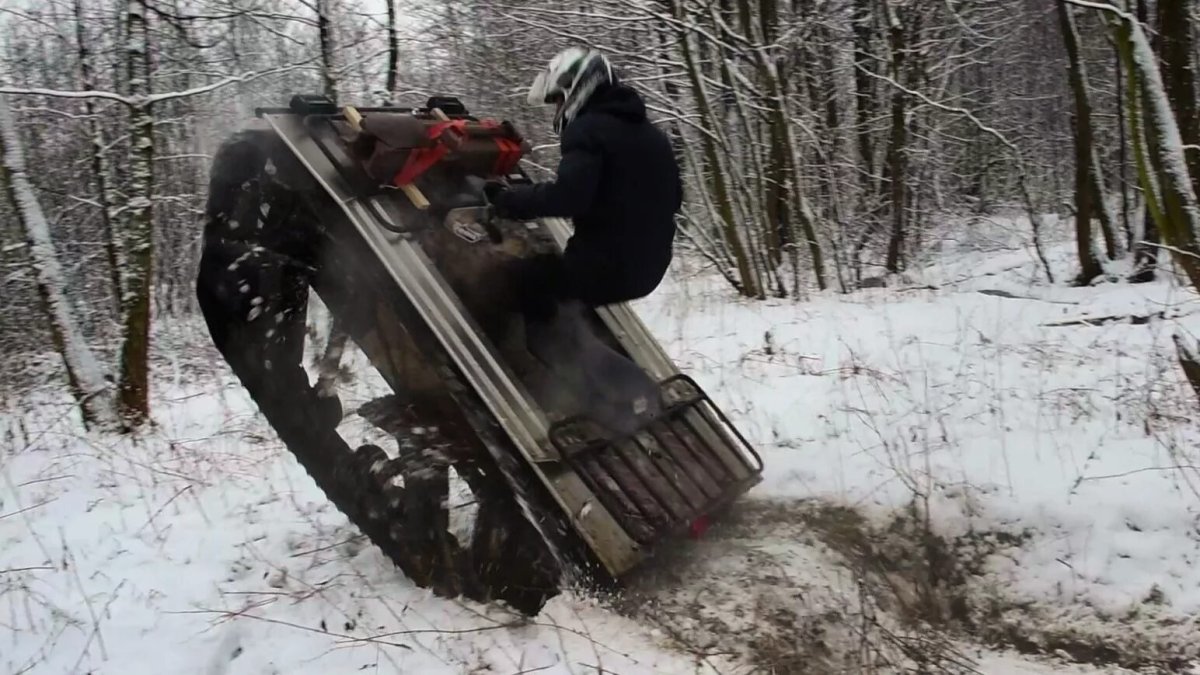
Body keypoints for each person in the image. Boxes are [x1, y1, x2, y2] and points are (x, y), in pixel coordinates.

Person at [485, 47, 682, 322]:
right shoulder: (652, 135)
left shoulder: (586, 129)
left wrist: (508, 200)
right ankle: (572, 336)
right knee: (556, 276)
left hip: (605, 270)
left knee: (509, 280)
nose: (557, 109)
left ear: (575, 90)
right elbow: (674, 197)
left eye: (556, 101)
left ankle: (540, 356)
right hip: (652, 269)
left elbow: (569, 197)